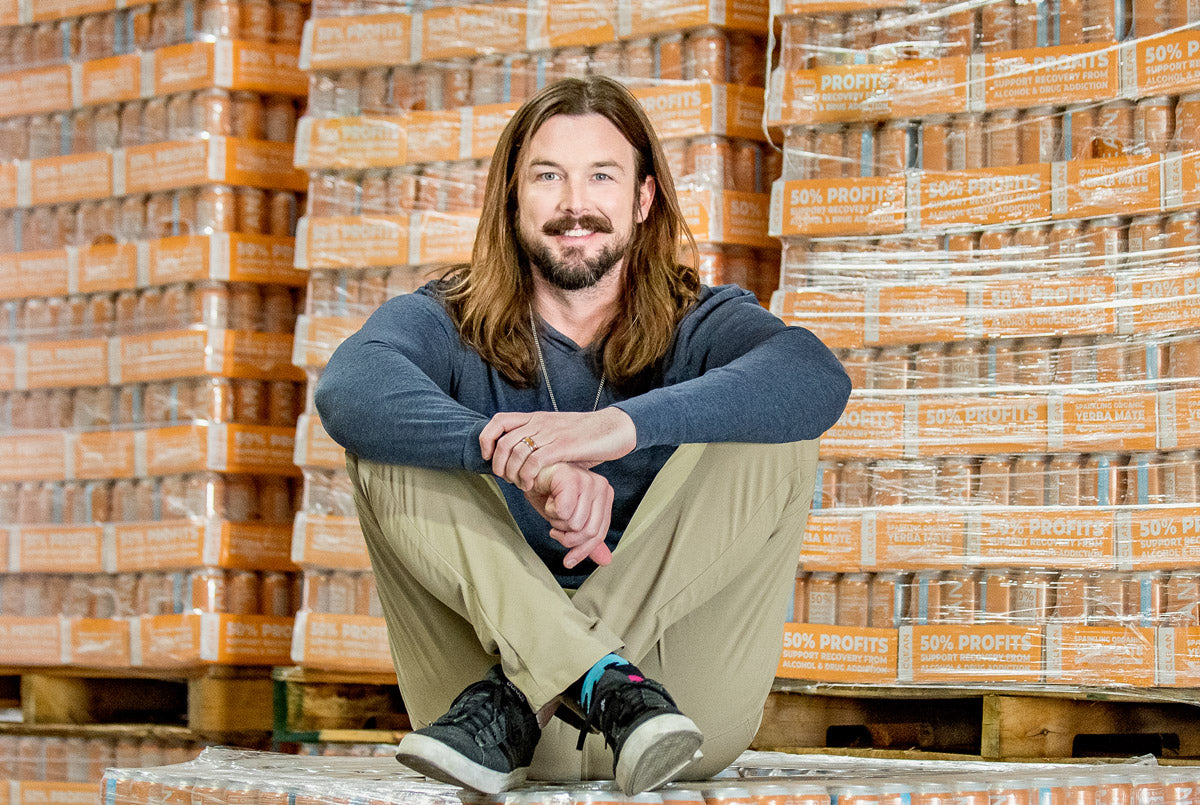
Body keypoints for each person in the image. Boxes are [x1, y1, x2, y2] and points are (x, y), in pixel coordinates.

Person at [314, 75, 851, 796]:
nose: (575, 204)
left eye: (601, 175)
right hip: (479, 723)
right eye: (548, 177)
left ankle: (540, 686)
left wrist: (615, 429)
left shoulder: (699, 318)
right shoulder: (448, 316)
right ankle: (589, 679)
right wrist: (522, 460)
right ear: (512, 196)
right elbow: (350, 385)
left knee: (776, 423)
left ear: (642, 199)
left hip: (670, 717)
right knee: (385, 442)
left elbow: (815, 375)